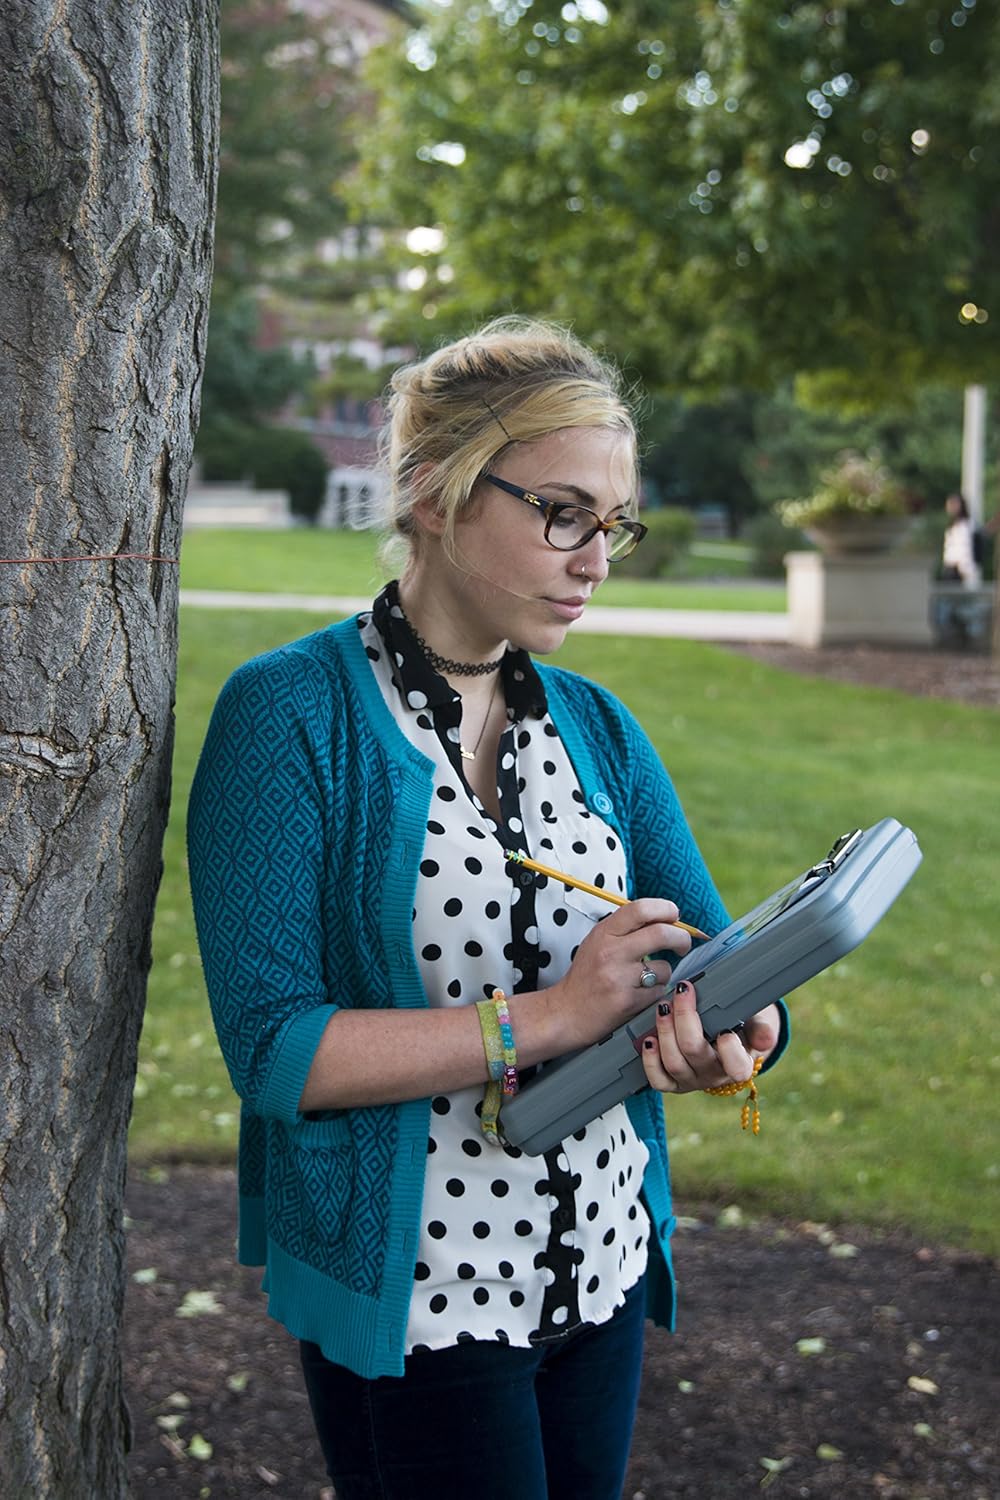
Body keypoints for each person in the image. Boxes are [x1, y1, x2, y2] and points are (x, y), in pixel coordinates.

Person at [187, 317, 788, 1500]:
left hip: (600, 1265)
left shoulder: (597, 725)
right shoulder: (288, 718)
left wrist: (738, 1036)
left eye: (610, 522)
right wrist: (547, 1019)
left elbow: (715, 951)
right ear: (431, 493)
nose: (595, 557)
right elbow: (274, 1051)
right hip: (417, 1295)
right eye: (560, 512)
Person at [941, 491, 981, 586]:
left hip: (961, 571)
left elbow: (965, 549)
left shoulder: (967, 526)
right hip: (950, 569)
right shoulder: (952, 526)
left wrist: (965, 569)